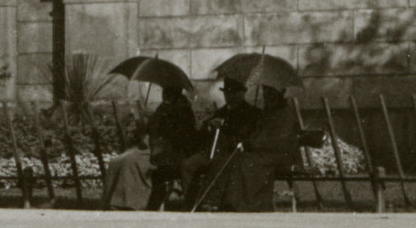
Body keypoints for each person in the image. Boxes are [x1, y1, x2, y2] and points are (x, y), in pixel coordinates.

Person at [199, 72, 304, 210]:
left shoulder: (284, 114)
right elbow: (257, 135)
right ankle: (216, 200)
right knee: (232, 159)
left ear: (279, 96)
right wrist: (248, 141)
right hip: (264, 153)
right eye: (265, 94)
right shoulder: (267, 114)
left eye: (270, 94)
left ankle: (240, 204)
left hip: (281, 155)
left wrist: (250, 144)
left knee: (244, 163)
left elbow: (276, 140)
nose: (267, 98)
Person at [102, 81, 211, 211]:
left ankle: (130, 203)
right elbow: (150, 128)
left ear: (176, 93)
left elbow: (184, 138)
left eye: (168, 91)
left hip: (167, 152)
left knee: (130, 162)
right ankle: (111, 202)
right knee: (117, 161)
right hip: (151, 147)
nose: (164, 94)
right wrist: (143, 124)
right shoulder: (163, 108)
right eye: (164, 91)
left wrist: (162, 127)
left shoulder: (184, 111)